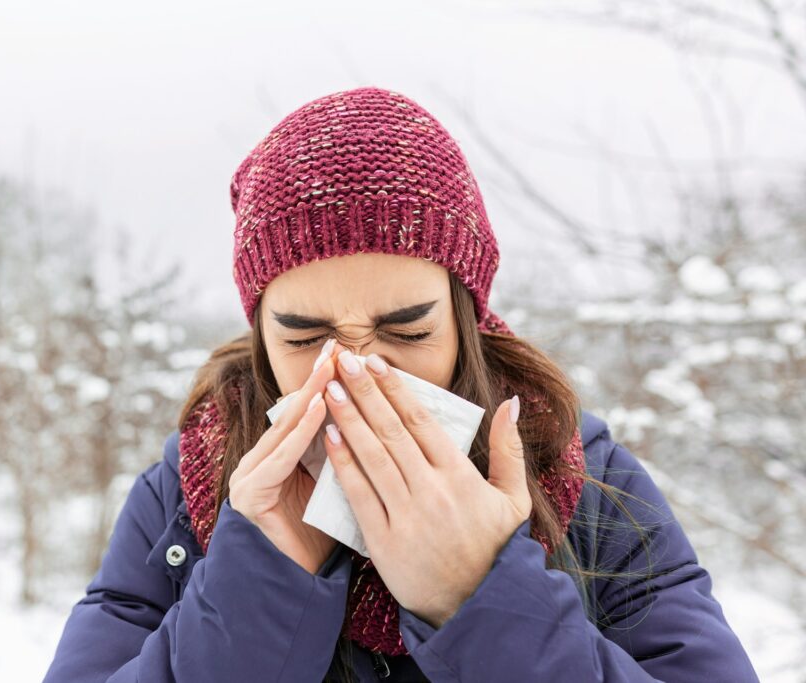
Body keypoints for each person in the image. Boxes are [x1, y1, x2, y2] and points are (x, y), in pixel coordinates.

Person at [42, 86, 759, 682]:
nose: (358, 372)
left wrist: (482, 595)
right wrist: (258, 583)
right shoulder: (185, 491)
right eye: (303, 338)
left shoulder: (586, 480)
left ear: (465, 318)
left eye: (409, 331)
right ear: (259, 334)